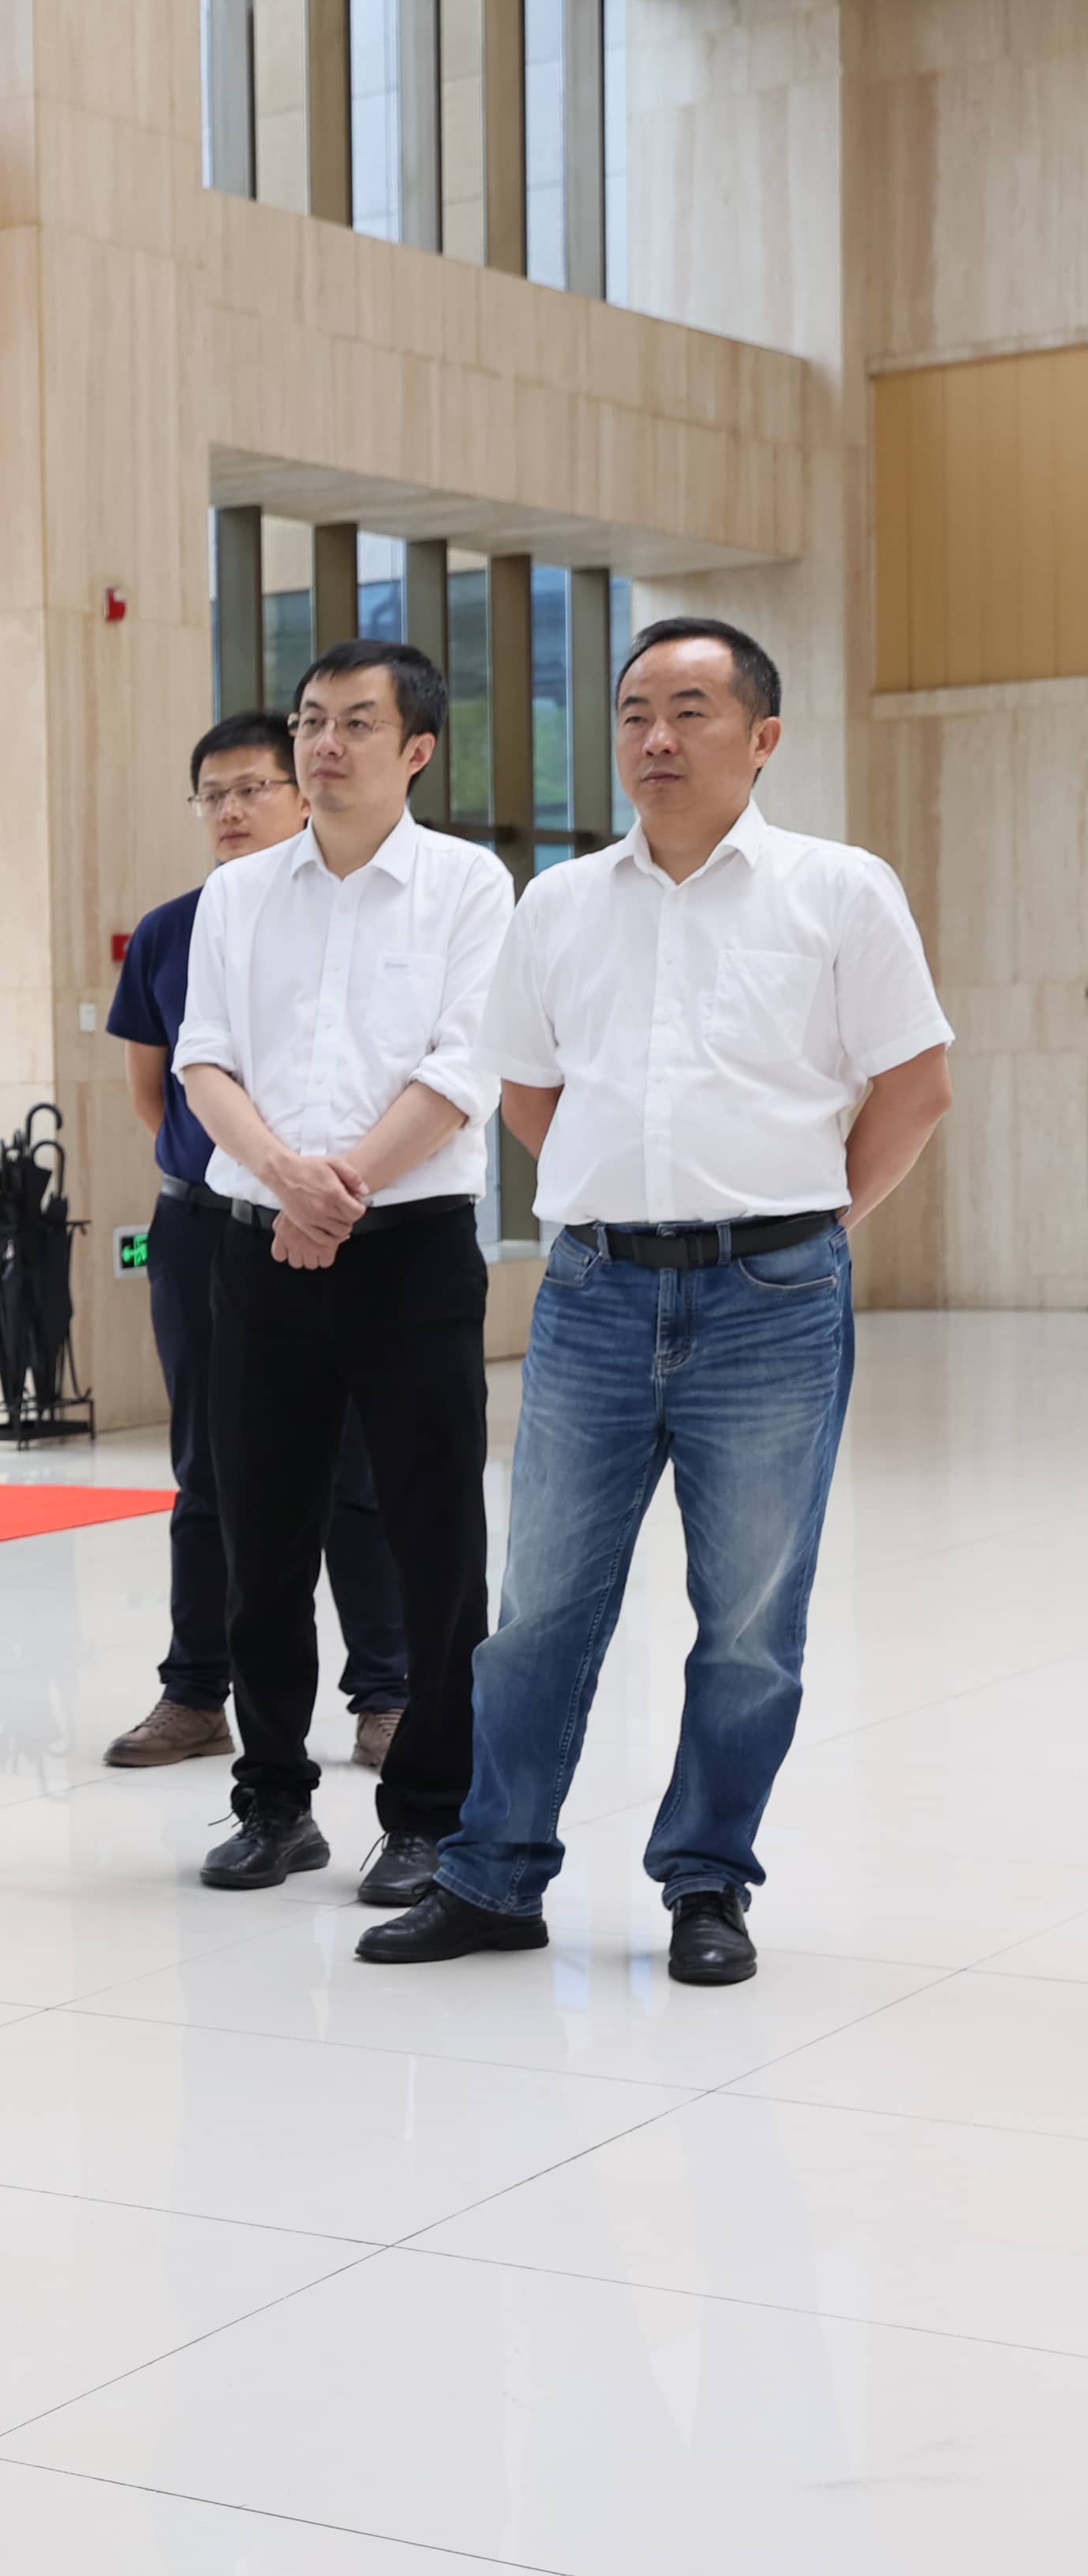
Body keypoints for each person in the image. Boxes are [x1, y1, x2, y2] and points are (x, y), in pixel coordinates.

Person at [364, 618, 953, 1984]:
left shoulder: (838, 890)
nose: (656, 737)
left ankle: (706, 1880)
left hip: (774, 1299)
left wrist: (812, 1219)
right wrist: (620, 1191)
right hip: (594, 1293)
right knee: (541, 1611)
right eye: (634, 711)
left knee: (748, 1621)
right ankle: (494, 1874)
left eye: (691, 710)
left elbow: (916, 1085)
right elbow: (527, 1087)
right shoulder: (561, 903)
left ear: (763, 735)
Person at [173, 636, 513, 1909]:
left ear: (416, 747)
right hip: (259, 1245)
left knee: (435, 1537)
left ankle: (429, 1815)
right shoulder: (239, 891)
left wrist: (341, 1188)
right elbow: (204, 1060)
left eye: (355, 722)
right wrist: (286, 1182)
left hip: (412, 1248)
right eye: (311, 719)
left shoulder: (470, 885)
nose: (323, 743)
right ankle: (272, 1799)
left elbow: (463, 1068)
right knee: (261, 1534)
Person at [104, 713, 415, 1774]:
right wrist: (249, 1175)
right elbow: (156, 1093)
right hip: (209, 1223)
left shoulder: (358, 914)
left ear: (303, 793)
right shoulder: (171, 930)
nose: (231, 810)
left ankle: (386, 1693)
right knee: (209, 1463)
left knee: (358, 1466)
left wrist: (315, 1189)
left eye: (252, 788)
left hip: (354, 1218)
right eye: (213, 793)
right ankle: (197, 1691)